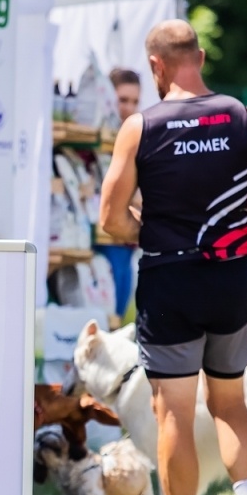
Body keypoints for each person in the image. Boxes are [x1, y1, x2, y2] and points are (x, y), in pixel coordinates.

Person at [98, 19, 247, 495]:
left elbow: (110, 218)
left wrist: (147, 230)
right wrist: (242, 233)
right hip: (230, 277)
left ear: (157, 66)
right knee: (232, 405)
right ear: (202, 57)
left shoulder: (141, 126)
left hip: (170, 279)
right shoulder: (244, 117)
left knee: (174, 416)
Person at [103, 68, 145, 319]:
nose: (128, 108)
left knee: (123, 318)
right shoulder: (99, 134)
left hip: (128, 244)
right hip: (102, 244)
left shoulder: (139, 136)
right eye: (122, 100)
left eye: (134, 101)